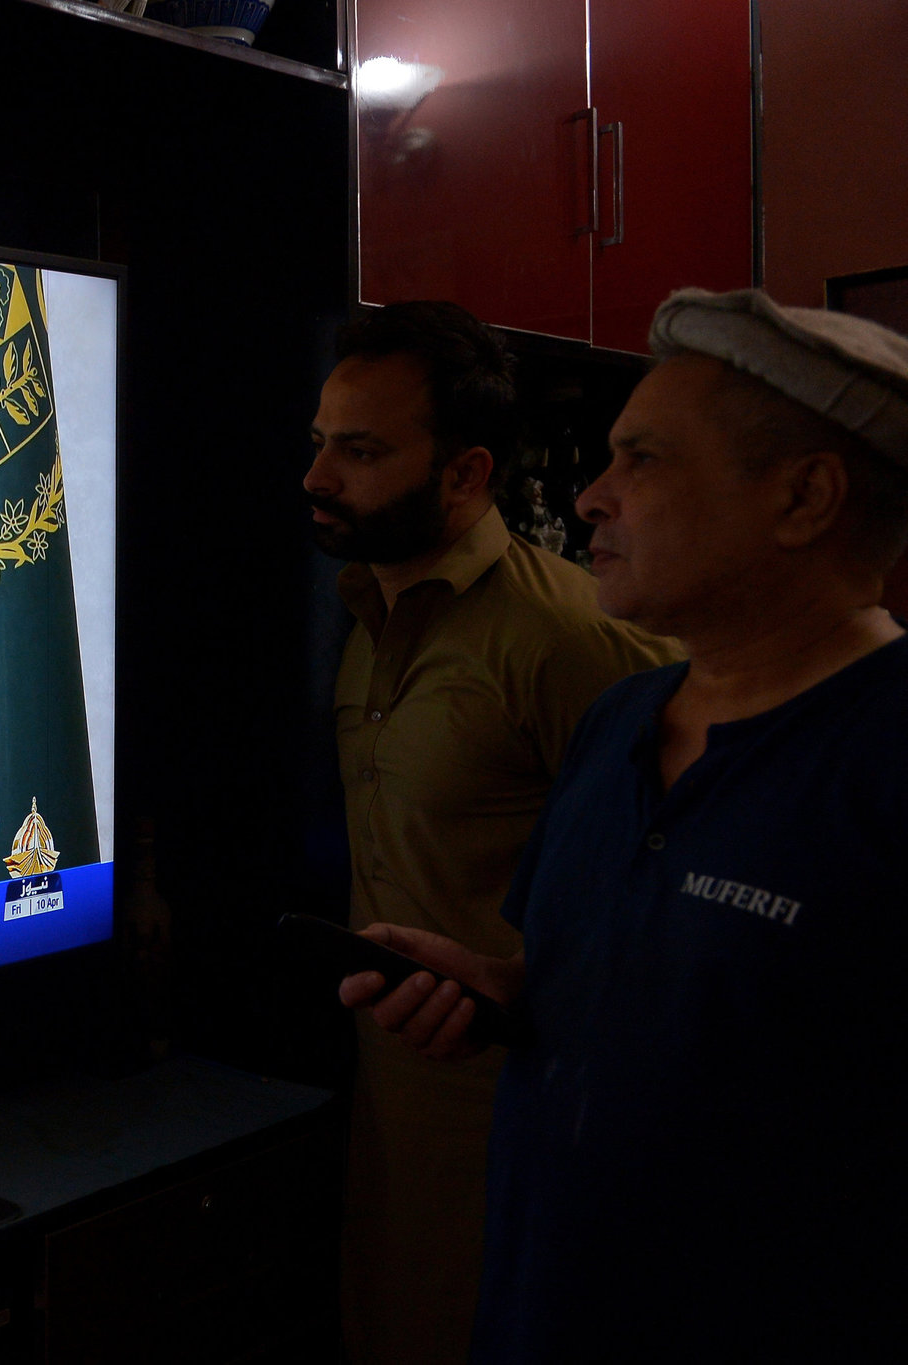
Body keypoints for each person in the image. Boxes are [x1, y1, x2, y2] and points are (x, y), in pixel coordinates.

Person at [342, 289, 908, 1360]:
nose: (591, 497)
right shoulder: (620, 723)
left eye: (641, 461)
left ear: (804, 497)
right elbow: (639, 989)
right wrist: (505, 993)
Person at [304, 302, 680, 1365]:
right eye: (320, 443)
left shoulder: (569, 636)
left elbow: (669, 904)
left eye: (360, 452)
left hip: (523, 1121)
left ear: (466, 473)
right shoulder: (368, 614)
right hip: (389, 1108)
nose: (317, 477)